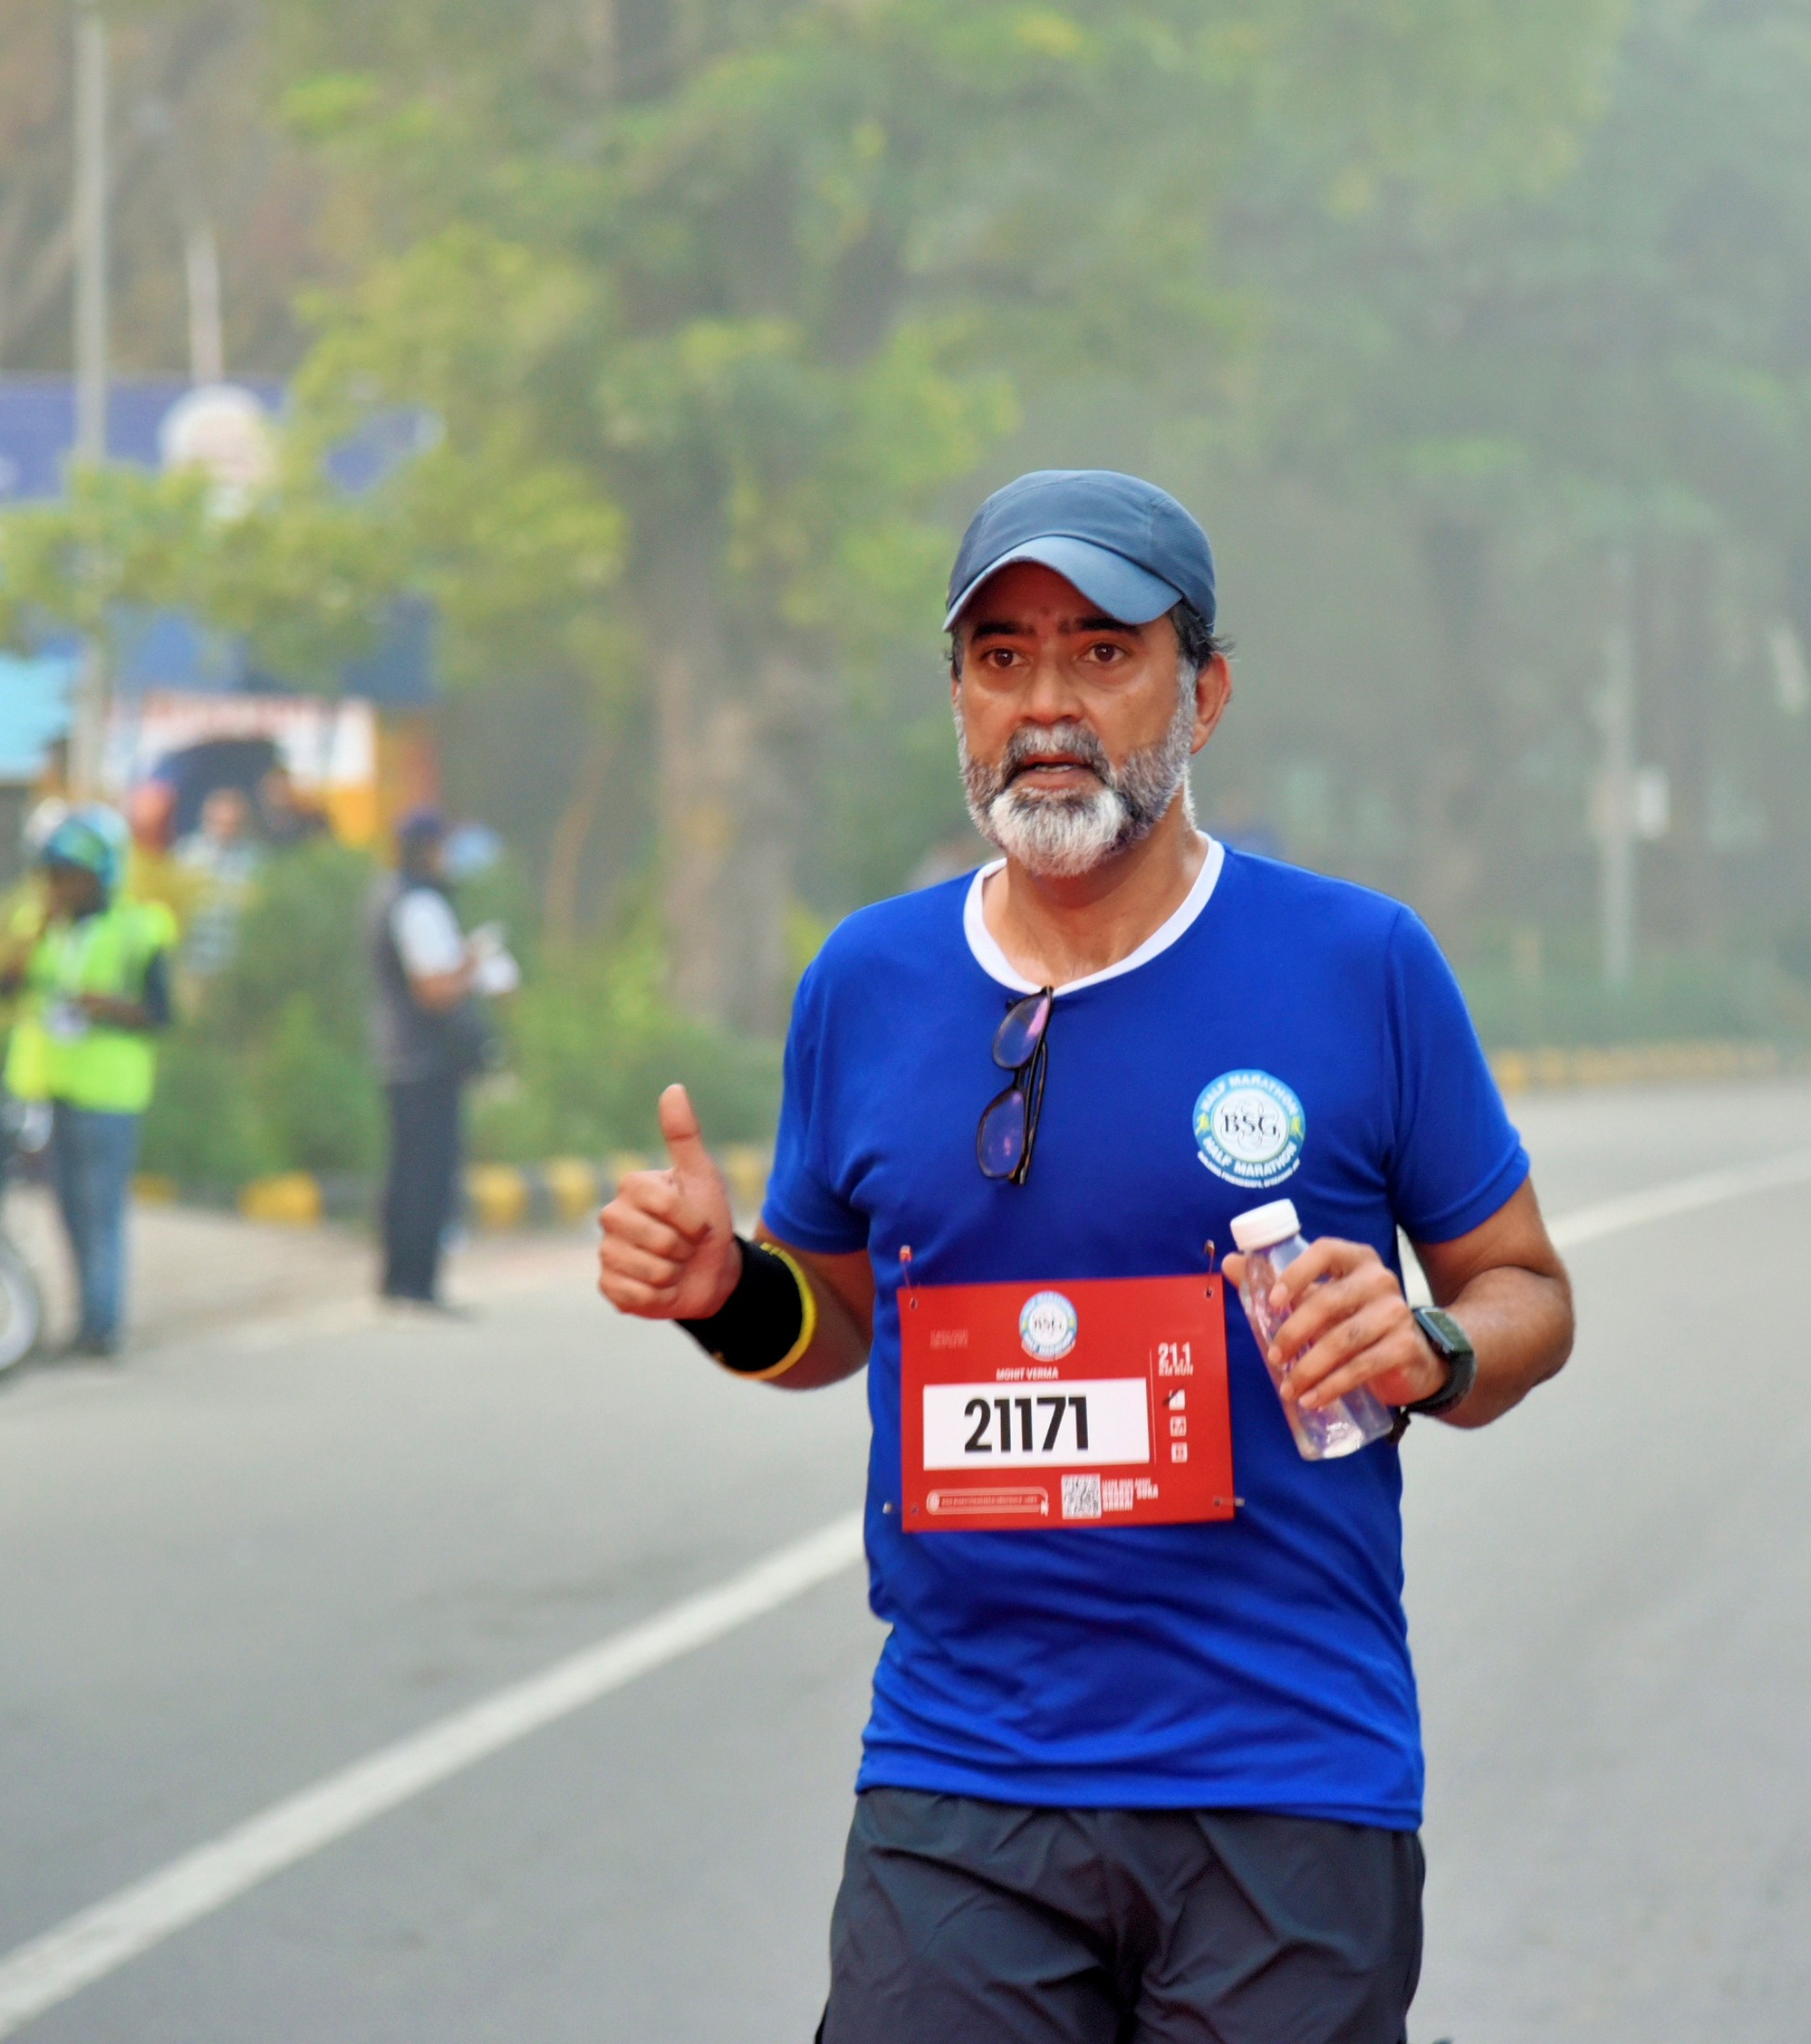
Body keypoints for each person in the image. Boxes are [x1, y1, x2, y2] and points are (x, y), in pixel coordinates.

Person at [596, 468, 1575, 2039]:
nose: (1044, 704)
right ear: (960, 696)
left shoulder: (1359, 965)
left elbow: (1525, 1290)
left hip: (1282, 1775)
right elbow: (833, 1318)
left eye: (1102, 652)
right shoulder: (868, 981)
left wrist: (1433, 1345)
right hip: (960, 1777)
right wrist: (725, 1297)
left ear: (1206, 691)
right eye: (1001, 657)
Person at [0, 805, 178, 1358]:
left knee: (101, 1211)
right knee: (69, 1211)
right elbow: (2, 988)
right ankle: (85, 1320)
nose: (60, 887)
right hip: (51, 1085)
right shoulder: (38, 925)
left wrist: (107, 1007)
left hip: (109, 1093)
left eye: (70, 876)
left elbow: (161, 1013)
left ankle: (102, 1325)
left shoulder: (139, 928)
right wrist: (36, 933)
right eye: (53, 877)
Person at [367, 809, 513, 1310]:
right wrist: (474, 961)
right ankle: (416, 1285)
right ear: (429, 851)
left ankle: (399, 1282)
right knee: (426, 1176)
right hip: (423, 1060)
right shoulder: (419, 904)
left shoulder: (386, 895)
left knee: (408, 1171)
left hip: (400, 1056)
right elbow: (434, 990)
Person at [173, 786, 262, 983]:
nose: (225, 829)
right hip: (192, 964)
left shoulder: (256, 859)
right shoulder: (188, 855)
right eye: (220, 822)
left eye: (232, 824)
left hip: (235, 969)